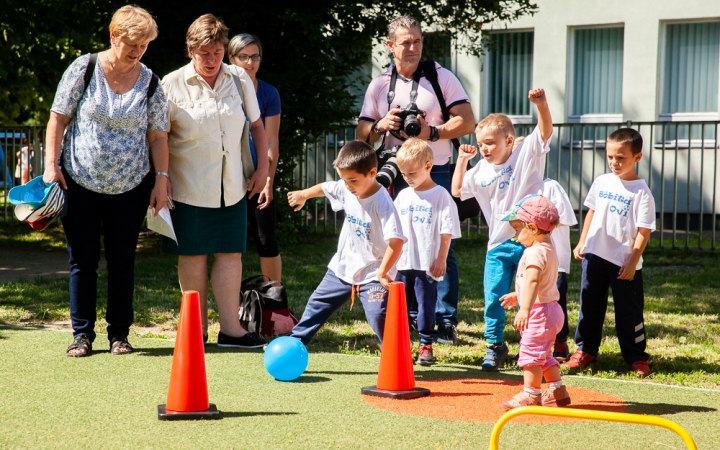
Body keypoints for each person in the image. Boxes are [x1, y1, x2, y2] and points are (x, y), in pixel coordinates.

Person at [43, 5, 170, 356]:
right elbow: (57, 119)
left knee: (122, 260)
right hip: (78, 180)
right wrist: (51, 166)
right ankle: (81, 335)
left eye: (144, 45)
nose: (137, 51)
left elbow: (159, 136)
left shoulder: (151, 82)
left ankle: (119, 335)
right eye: (132, 44)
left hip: (130, 186)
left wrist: (162, 179)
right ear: (113, 36)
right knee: (82, 261)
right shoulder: (83, 68)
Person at [357, 15, 474, 345]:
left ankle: (445, 319)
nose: (412, 48)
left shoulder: (440, 77)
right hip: (396, 171)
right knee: (397, 241)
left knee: (441, 245)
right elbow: (362, 133)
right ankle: (406, 314)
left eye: (417, 41)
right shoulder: (380, 84)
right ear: (390, 45)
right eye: (405, 42)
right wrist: (380, 125)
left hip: (435, 170)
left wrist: (432, 131)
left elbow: (466, 121)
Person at [161, 14, 270, 348]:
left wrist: (263, 170)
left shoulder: (239, 78)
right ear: (190, 50)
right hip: (188, 188)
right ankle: (195, 331)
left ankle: (231, 330)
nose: (211, 60)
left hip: (233, 187)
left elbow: (256, 126)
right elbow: (159, 137)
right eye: (204, 53)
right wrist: (161, 178)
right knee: (192, 257)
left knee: (230, 255)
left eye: (218, 52)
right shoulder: (170, 84)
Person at [452, 88, 553, 371]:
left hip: (530, 244)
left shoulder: (525, 155)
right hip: (497, 245)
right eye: (481, 143)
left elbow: (544, 132)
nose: (484, 148)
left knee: (535, 296)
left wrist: (541, 105)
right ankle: (495, 346)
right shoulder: (480, 170)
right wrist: (462, 160)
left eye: (490, 143)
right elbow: (458, 190)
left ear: (509, 140)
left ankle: (535, 347)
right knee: (493, 299)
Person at [288, 141, 405, 344]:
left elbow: (396, 242)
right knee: (316, 305)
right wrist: (303, 195)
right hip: (343, 267)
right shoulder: (345, 187)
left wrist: (383, 271)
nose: (348, 186)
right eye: (344, 180)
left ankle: (395, 353)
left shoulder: (382, 203)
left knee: (378, 316)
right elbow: (326, 188)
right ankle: (295, 342)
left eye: (353, 181)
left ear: (372, 172)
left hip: (374, 273)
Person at [566, 128, 656, 376]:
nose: (614, 163)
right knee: (590, 305)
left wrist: (632, 260)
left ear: (637, 157)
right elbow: (592, 212)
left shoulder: (641, 192)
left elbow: (644, 231)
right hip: (594, 255)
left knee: (629, 311)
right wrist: (582, 241)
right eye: (610, 157)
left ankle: (636, 357)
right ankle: (585, 350)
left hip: (623, 262)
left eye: (621, 158)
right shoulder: (602, 181)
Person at [498, 194, 571, 410]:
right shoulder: (549, 249)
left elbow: (532, 281)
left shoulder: (535, 252)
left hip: (539, 312)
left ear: (532, 227)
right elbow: (541, 285)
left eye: (517, 228)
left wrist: (525, 310)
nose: (515, 232)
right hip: (551, 310)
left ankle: (531, 393)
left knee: (530, 353)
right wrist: (518, 297)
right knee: (544, 353)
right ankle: (557, 390)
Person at [393, 138, 461, 365]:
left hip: (426, 264)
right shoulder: (403, 195)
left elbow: (447, 230)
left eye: (411, 173)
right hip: (402, 263)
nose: (407, 178)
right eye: (403, 174)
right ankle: (399, 345)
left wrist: (441, 258)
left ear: (428, 166)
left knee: (426, 305)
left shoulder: (441, 195)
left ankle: (425, 344)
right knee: (399, 306)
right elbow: (393, 229)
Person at [228, 34, 283, 283]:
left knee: (266, 240)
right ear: (231, 59)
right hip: (227, 176)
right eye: (243, 57)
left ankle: (274, 300)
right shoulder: (222, 91)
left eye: (255, 56)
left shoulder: (269, 93)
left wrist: (268, 179)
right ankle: (231, 303)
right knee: (229, 243)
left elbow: (271, 140)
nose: (250, 62)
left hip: (259, 175)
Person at [541, 178, 577, 362]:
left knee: (556, 300)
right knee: (531, 302)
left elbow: (566, 218)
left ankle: (560, 341)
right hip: (529, 257)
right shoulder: (515, 183)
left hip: (555, 259)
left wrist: (538, 220)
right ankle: (536, 344)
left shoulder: (551, 186)